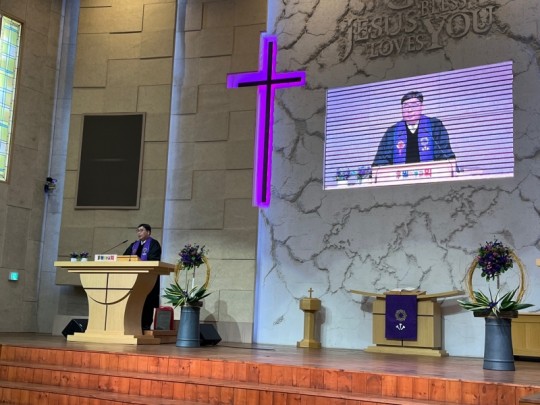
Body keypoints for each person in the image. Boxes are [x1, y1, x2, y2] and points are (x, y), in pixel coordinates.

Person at [372, 91, 455, 166]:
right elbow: (381, 161)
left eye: (414, 105)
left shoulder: (434, 125)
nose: (409, 110)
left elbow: (445, 155)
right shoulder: (392, 131)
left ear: (422, 107)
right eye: (405, 106)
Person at [124, 223, 162, 331]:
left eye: (141, 230)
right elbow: (125, 257)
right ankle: (132, 325)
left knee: (147, 302)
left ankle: (145, 326)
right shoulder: (134, 245)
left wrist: (139, 261)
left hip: (148, 279)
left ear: (148, 232)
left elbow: (154, 259)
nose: (139, 233)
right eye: (137, 230)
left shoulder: (154, 244)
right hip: (133, 279)